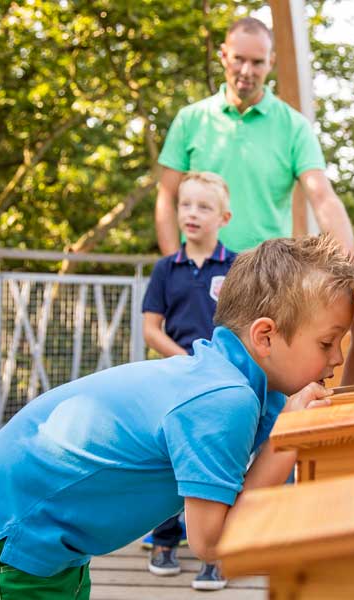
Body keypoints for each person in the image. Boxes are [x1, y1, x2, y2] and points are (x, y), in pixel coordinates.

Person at [0, 234, 354, 600]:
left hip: (48, 535)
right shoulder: (225, 401)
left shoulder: (245, 383)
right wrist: (284, 439)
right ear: (266, 336)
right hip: (7, 533)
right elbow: (210, 543)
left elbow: (331, 426)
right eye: (327, 344)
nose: (334, 360)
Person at [155, 17, 354, 255]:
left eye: (257, 62)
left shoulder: (294, 126)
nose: (246, 71)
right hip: (200, 269)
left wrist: (353, 273)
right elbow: (167, 197)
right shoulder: (190, 120)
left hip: (267, 275)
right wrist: (174, 268)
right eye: (238, 59)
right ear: (224, 55)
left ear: (271, 62)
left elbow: (323, 198)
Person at [140, 171, 236, 589]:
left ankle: (214, 554)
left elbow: (244, 324)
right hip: (177, 379)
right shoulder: (166, 269)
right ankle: (164, 540)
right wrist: (187, 359)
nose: (192, 214)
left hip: (221, 382)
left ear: (224, 217)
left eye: (203, 206)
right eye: (185, 205)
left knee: (219, 463)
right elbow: (151, 329)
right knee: (168, 460)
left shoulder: (237, 266)